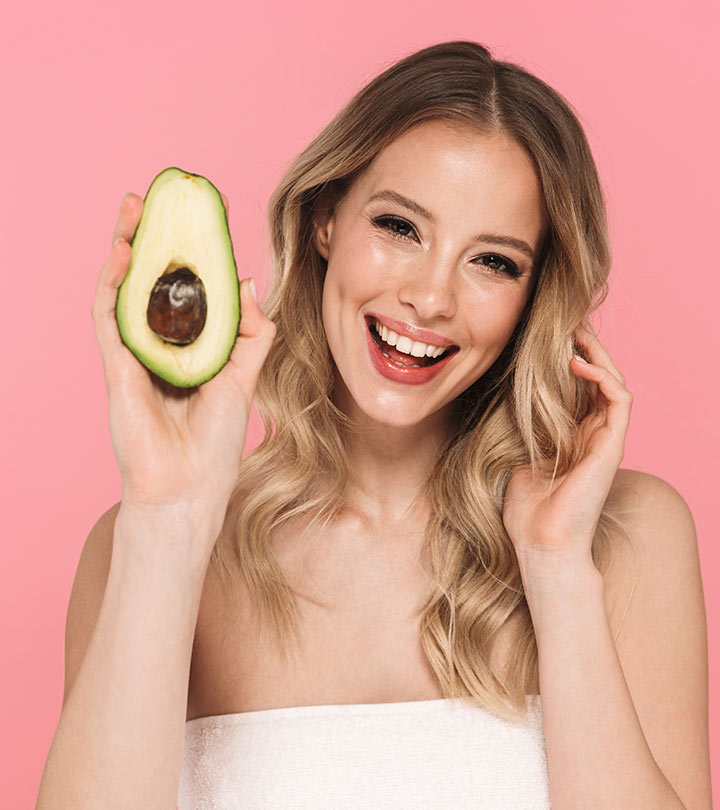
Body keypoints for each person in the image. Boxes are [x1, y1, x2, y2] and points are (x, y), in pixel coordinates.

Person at [36, 40, 711, 810]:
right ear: (326, 219)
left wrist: (556, 569)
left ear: (534, 296)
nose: (430, 297)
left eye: (493, 262)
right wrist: (167, 518)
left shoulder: (626, 539)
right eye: (399, 226)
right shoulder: (144, 544)